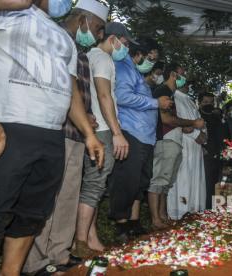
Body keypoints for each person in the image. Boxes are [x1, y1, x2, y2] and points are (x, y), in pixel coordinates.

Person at [0, 2, 104, 275]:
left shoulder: (61, 37)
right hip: (5, 125)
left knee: (31, 215)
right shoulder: (1, 5)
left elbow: (69, 88)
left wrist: (89, 134)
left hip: (49, 133)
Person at [22, 1, 108, 274]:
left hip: (77, 134)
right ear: (83, 18)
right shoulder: (52, 37)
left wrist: (88, 119)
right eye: (98, 28)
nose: (99, 35)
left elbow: (80, 96)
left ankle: (58, 255)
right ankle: (35, 262)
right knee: (47, 197)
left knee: (68, 197)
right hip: (54, 129)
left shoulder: (79, 53)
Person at [74, 21, 134, 259]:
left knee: (93, 184)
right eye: (125, 43)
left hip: (93, 126)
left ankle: (90, 237)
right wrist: (117, 132)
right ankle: (80, 241)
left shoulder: (90, 55)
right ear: (113, 39)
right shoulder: (103, 58)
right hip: (101, 128)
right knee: (96, 183)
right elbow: (103, 94)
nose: (125, 49)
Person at [109, 37, 171, 242]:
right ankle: (121, 224)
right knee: (127, 179)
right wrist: (155, 102)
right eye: (151, 58)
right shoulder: (124, 68)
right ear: (140, 54)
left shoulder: (136, 72)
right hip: (131, 132)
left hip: (146, 137)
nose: (151, 63)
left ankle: (134, 221)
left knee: (141, 181)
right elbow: (122, 97)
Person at [148, 63, 204, 229]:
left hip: (174, 139)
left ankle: (163, 216)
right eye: (182, 73)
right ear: (173, 74)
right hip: (165, 139)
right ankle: (155, 219)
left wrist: (184, 126)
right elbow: (165, 119)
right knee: (158, 181)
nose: (184, 76)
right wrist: (192, 122)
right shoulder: (163, 91)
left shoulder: (170, 93)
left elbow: (173, 119)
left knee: (166, 183)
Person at [168, 79, 207, 220]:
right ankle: (178, 215)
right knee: (182, 180)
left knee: (196, 181)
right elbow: (179, 123)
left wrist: (203, 135)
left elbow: (200, 124)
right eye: (181, 76)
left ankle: (194, 212)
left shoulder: (190, 100)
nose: (186, 81)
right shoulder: (174, 97)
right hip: (184, 145)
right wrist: (196, 134)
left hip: (196, 148)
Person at [199, 93, 225, 209]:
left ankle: (214, 209)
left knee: (216, 184)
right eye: (205, 102)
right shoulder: (196, 117)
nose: (208, 105)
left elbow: (222, 138)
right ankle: (205, 209)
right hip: (202, 156)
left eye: (211, 103)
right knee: (205, 184)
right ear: (199, 103)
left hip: (218, 156)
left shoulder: (218, 118)